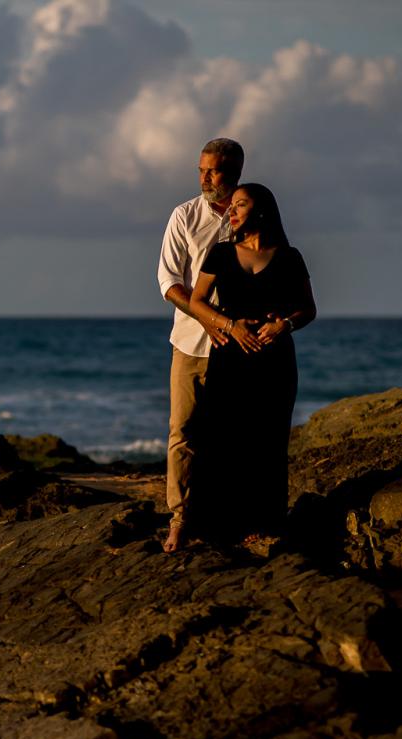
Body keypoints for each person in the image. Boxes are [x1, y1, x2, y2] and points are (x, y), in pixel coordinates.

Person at [186, 182, 316, 542]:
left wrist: (283, 325)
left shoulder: (290, 257)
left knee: (268, 441)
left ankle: (266, 523)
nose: (232, 211)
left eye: (240, 205)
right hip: (229, 359)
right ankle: (214, 525)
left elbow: (308, 309)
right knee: (220, 438)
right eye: (233, 206)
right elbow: (197, 301)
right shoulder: (222, 253)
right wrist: (228, 324)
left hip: (274, 363)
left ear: (261, 211)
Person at [157, 138, 242, 552]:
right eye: (201, 170)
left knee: (234, 434)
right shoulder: (185, 216)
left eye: (215, 171)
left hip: (241, 345)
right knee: (183, 431)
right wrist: (209, 319)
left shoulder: (250, 214)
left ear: (235, 172)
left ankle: (231, 519)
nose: (206, 178)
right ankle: (180, 518)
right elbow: (169, 283)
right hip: (190, 342)